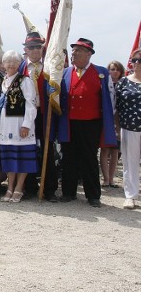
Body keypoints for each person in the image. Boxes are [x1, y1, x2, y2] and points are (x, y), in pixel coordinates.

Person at [58, 38, 116, 208]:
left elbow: (110, 99)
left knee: (89, 158)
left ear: (89, 54)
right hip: (70, 122)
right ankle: (68, 192)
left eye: (78, 51)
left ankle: (93, 195)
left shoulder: (101, 73)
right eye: (74, 51)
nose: (74, 54)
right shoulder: (66, 72)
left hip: (91, 123)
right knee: (69, 157)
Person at [18, 32, 59, 202]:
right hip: (26, 116)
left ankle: (49, 189)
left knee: (48, 151)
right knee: (27, 151)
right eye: (31, 47)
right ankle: (28, 187)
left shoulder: (50, 67)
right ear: (25, 50)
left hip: (44, 114)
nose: (35, 50)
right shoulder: (20, 68)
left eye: (38, 47)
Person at [0, 50, 37, 203]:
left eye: (14, 61)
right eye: (8, 61)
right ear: (3, 64)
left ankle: (19, 188)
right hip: (6, 126)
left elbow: (31, 104)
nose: (11, 64)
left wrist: (27, 124)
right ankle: (10, 187)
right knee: (9, 158)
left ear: (19, 64)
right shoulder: (3, 82)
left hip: (21, 125)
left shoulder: (25, 81)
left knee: (22, 158)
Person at [115, 49, 141, 209]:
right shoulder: (124, 82)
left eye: (140, 60)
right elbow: (116, 107)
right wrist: (117, 128)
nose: (136, 63)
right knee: (129, 163)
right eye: (134, 60)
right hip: (129, 127)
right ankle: (130, 196)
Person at [100, 60, 124, 187]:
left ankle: (111, 179)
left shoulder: (124, 84)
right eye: (112, 69)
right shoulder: (103, 83)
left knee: (115, 151)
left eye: (117, 69)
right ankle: (105, 178)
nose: (115, 72)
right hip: (106, 119)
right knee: (105, 149)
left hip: (118, 121)